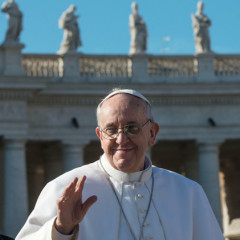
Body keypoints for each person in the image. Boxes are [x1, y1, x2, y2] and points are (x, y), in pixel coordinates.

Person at [16, 88, 224, 240]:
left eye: (132, 128)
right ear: (99, 136)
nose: (121, 139)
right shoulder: (64, 189)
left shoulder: (188, 193)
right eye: (111, 129)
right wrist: (61, 229)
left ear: (152, 133)